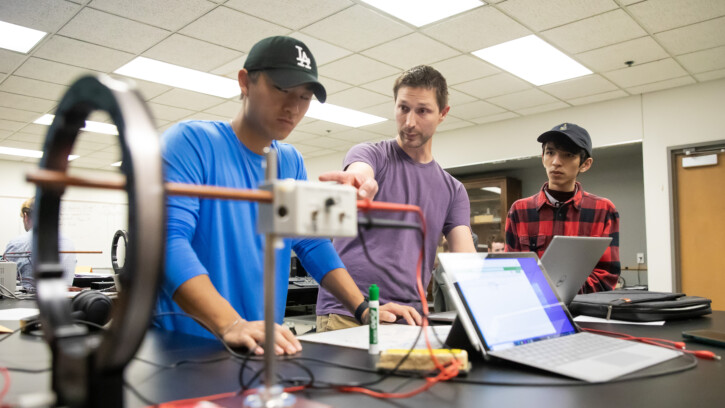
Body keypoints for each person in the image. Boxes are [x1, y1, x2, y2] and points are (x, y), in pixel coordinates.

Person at [153, 36, 417, 355]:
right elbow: (167, 242)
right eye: (282, 90)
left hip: (263, 349)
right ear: (244, 82)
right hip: (187, 348)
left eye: (304, 97)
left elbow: (310, 243)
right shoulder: (191, 143)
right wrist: (231, 323)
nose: (293, 107)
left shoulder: (289, 161)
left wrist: (364, 309)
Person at [316, 65, 476, 331]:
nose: (410, 122)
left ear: (443, 114)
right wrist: (359, 181)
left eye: (422, 110)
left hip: (409, 318)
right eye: (403, 108)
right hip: (348, 313)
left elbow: (467, 262)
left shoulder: (453, 190)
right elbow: (360, 171)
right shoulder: (371, 154)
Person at [504, 123, 620, 292]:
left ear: (585, 164)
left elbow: (607, 276)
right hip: (534, 308)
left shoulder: (603, 210)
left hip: (583, 312)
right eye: (550, 153)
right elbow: (510, 269)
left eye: (568, 155)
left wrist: (559, 292)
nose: (556, 162)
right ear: (542, 157)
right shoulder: (520, 210)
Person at [3, 197, 76, 290]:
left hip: (23, 303)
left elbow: (5, 282)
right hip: (63, 301)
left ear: (26, 216)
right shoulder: (68, 243)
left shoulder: (17, 243)